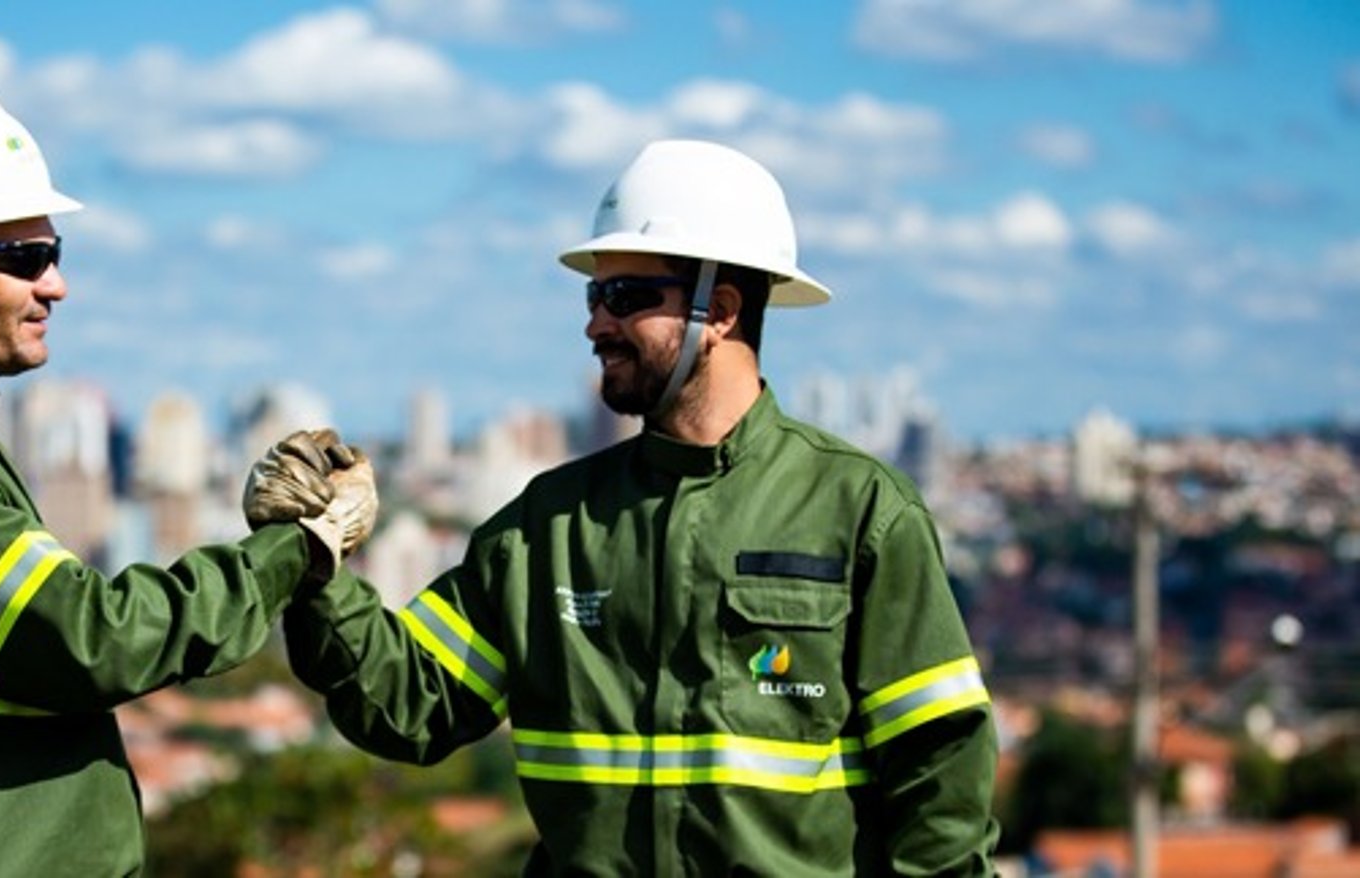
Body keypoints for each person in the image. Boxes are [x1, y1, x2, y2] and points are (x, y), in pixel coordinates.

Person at [260, 140, 1000, 874]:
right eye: (593, 296)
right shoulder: (546, 528)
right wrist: (313, 564)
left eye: (625, 297)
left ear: (722, 312)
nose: (595, 324)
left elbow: (940, 779)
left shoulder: (861, 511)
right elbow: (409, 703)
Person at [0, 89, 369, 875]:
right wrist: (297, 550)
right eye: (25, 259)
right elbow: (90, 642)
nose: (56, 286)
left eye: (55, 254)